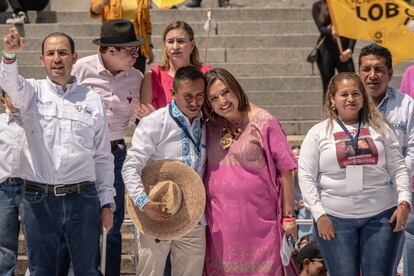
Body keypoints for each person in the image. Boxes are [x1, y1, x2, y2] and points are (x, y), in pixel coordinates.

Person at [0, 28, 115, 275]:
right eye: (50, 53)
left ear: (75, 57)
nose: (56, 59)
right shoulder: (31, 92)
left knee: (87, 270)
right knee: (41, 270)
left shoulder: (92, 99)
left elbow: (103, 156)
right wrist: (9, 54)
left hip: (83, 199)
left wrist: (107, 202)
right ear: (41, 60)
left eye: (63, 53)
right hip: (39, 200)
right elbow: (9, 82)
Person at [52, 19, 146, 276]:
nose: (136, 55)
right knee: (68, 222)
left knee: (112, 225)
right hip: (81, 153)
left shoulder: (137, 77)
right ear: (111, 51)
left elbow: (138, 115)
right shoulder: (80, 69)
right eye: (131, 50)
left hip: (115, 152)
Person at [298, 72, 412, 275]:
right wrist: (319, 215)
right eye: (344, 94)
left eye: (355, 94)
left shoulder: (381, 128)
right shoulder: (318, 133)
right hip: (335, 221)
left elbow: (398, 167)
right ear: (332, 100)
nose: (350, 99)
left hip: (381, 218)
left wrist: (404, 202)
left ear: (363, 98)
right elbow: (306, 176)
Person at [203, 68, 298, 275]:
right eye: (214, 98)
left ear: (236, 89)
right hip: (220, 228)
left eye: (225, 92)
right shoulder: (210, 126)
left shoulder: (264, 122)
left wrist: (289, 216)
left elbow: (286, 169)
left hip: (261, 225)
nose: (222, 101)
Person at [122, 65, 207, 276]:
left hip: (194, 215)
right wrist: (144, 203)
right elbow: (130, 166)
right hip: (155, 210)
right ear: (173, 93)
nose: (195, 102)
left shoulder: (208, 123)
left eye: (199, 95)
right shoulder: (154, 123)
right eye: (188, 96)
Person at [357, 43, 414, 276]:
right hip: (357, 196)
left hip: (399, 195)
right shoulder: (346, 104)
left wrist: (395, 182)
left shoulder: (407, 106)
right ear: (359, 72)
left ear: (390, 74)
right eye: (367, 69)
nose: (372, 75)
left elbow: (412, 149)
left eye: (379, 70)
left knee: (405, 257)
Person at [137, 21, 212, 118]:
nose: (175, 47)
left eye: (181, 41)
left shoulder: (206, 73)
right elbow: (145, 116)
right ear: (165, 46)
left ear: (192, 45)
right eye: (170, 41)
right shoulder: (153, 76)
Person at [89, 0, 154, 74]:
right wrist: (102, 3)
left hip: (136, 45)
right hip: (114, 45)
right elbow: (93, 12)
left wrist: (149, 47)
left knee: (137, 79)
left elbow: (147, 24)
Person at [0, 89, 24, 276]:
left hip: (31, 188)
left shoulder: (35, 123)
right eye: (11, 96)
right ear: (3, 99)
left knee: (37, 241)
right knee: (5, 244)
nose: (16, 101)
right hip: (4, 189)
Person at [312, 0, 356, 102]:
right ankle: (329, 115)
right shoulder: (318, 6)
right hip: (326, 52)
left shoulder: (347, 5)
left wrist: (350, 49)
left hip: (344, 52)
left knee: (351, 83)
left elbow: (353, 29)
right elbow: (321, 28)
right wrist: (331, 30)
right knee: (328, 85)